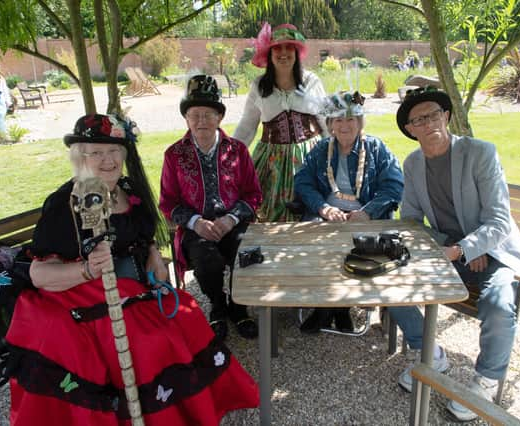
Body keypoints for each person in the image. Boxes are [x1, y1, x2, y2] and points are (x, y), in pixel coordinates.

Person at [5, 113, 259, 425]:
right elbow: (39, 274)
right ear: (79, 156)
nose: (107, 160)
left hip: (133, 287)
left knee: (188, 314)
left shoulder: (128, 190)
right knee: (151, 341)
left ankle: (191, 408)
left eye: (113, 151)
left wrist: (152, 252)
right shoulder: (65, 204)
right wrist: (86, 270)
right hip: (81, 298)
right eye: (95, 152)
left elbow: (144, 236)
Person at [389, 87, 520, 421]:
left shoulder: (481, 153)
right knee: (389, 285)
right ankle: (430, 353)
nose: (429, 123)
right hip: (446, 252)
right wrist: (454, 249)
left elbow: (499, 220)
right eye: (419, 119)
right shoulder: (412, 164)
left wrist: (467, 247)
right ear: (410, 129)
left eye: (435, 114)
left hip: (495, 253)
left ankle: (485, 380)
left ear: (447, 116)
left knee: (498, 306)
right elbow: (410, 220)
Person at [160, 75, 263, 342]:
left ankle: (238, 307)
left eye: (208, 114)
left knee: (246, 253)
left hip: (233, 223)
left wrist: (230, 219)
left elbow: (253, 194)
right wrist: (195, 222)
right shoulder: (174, 155)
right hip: (196, 228)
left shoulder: (238, 151)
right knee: (207, 260)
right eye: (194, 115)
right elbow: (168, 202)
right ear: (186, 119)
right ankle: (218, 306)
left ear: (219, 117)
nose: (201, 121)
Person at [294, 91, 404, 333]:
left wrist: (368, 212)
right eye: (339, 120)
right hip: (329, 213)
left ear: (360, 122)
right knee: (315, 242)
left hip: (365, 215)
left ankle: (331, 310)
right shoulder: (322, 149)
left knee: (356, 246)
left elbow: (394, 185)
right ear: (331, 125)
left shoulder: (376, 148)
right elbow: (302, 182)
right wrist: (323, 207)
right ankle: (335, 308)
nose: (345, 125)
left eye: (351, 119)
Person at [233, 22, 328, 222]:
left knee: (309, 213)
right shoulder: (259, 85)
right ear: (269, 53)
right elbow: (247, 125)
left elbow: (325, 119)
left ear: (296, 51)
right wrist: (229, 157)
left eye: (289, 47)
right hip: (271, 161)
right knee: (269, 218)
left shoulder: (311, 81)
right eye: (277, 48)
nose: (283, 53)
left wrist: (335, 152)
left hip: (309, 156)